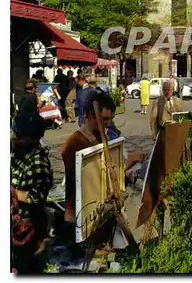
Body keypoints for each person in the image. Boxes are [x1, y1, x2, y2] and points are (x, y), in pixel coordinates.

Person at [61, 90, 145, 231]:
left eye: (111, 119)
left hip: (101, 213)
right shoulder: (74, 143)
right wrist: (127, 164)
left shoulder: (101, 137)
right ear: (88, 115)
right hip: (82, 216)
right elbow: (94, 180)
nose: (108, 124)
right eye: (104, 119)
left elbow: (107, 173)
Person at [11, 113, 52, 274]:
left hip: (29, 231)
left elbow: (37, 198)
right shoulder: (19, 154)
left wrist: (12, 193)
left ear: (32, 138)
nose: (14, 138)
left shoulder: (38, 161)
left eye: (19, 136)